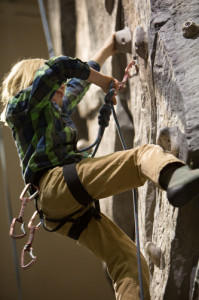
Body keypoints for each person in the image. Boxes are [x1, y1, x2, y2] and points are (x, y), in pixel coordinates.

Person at [1, 33, 199, 300]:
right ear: (32, 82)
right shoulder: (21, 107)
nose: (62, 87)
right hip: (57, 184)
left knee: (129, 262)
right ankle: (175, 176)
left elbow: (76, 83)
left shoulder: (54, 107)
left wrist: (109, 48)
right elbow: (59, 69)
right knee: (142, 157)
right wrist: (103, 81)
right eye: (54, 84)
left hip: (60, 208)